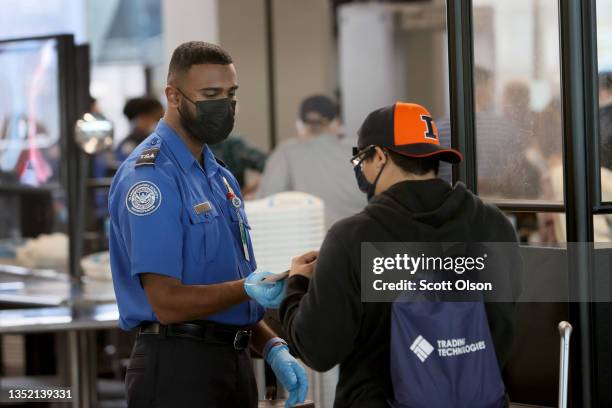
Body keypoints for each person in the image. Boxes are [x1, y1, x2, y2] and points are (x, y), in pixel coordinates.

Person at [251, 102, 521, 407]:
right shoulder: (494, 225)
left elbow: (318, 349)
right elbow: (501, 331)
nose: (360, 171)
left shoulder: (352, 238)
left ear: (379, 156)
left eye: (360, 160)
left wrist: (297, 285)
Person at [108, 41, 307, 407]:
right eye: (211, 94)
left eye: (231, 94)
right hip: (177, 370)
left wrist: (271, 343)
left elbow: (225, 291)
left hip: (233, 361)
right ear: (173, 96)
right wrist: (247, 289)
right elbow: (167, 302)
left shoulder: (219, 177)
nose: (225, 106)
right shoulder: (151, 180)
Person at [256, 95, 366, 229]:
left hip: (318, 245)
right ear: (337, 123)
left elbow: (267, 203)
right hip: (367, 241)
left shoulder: (287, 152)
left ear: (299, 124)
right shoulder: (357, 149)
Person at [115, 97, 164, 162]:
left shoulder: (157, 142)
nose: (159, 123)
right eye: (157, 118)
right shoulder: (128, 146)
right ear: (143, 117)